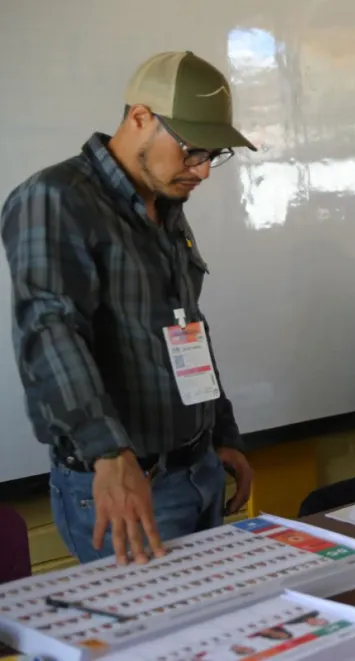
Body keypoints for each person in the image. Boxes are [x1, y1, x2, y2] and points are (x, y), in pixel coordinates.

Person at [1, 51, 257, 566]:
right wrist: (106, 453)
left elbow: (186, 329)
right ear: (140, 117)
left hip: (199, 470)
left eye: (214, 154)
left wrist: (220, 433)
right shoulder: (57, 198)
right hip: (129, 483)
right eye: (193, 150)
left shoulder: (166, 205)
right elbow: (50, 332)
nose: (203, 170)